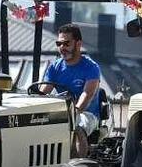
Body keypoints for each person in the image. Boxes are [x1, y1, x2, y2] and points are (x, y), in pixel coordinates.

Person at [40, 23, 101, 155]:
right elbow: (42, 93)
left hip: (87, 113)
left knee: (77, 126)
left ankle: (78, 164)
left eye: (66, 43)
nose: (62, 47)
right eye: (59, 44)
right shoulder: (54, 67)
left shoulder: (91, 67)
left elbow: (87, 94)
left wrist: (76, 111)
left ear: (78, 44)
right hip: (61, 113)